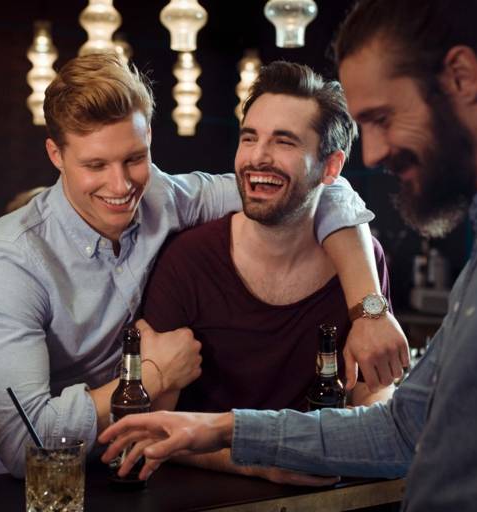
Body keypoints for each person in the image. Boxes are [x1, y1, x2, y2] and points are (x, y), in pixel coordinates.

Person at [99, 1, 477, 509]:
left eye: (383, 118)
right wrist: (223, 430)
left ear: (463, 76)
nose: (375, 153)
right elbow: (403, 430)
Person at [0, 53, 409, 477]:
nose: (121, 186)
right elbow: (23, 444)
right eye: (95, 165)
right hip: (21, 485)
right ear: (55, 156)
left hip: (135, 465)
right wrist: (152, 375)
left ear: (150, 143)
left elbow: (314, 191)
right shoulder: (10, 258)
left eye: (135, 159)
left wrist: (369, 310)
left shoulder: (164, 194)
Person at [141, 61, 395, 484]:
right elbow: (151, 424)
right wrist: (261, 461)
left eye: (284, 142)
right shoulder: (188, 259)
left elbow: (372, 403)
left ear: (331, 167)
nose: (258, 156)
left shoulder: (362, 264)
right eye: (249, 138)